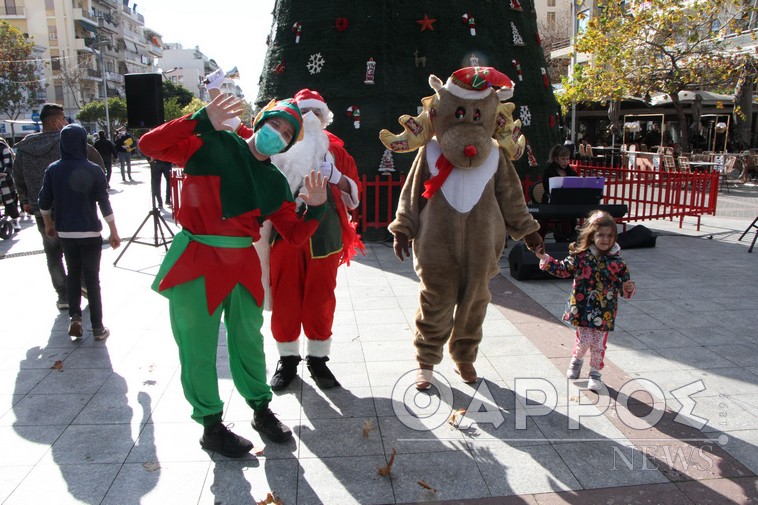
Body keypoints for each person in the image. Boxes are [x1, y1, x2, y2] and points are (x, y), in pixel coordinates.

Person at [138, 93, 328, 458]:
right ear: (260, 122)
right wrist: (199, 118)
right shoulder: (215, 142)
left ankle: (260, 409)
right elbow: (151, 145)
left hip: (242, 264)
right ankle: (211, 426)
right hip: (196, 259)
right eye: (275, 124)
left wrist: (316, 210)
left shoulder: (274, 181)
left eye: (287, 133)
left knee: (248, 341)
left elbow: (295, 234)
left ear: (289, 144)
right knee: (198, 347)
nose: (278, 133)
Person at [266, 88, 364, 390]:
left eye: (316, 113)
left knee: (321, 297)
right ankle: (288, 359)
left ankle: (318, 360)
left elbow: (354, 198)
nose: (309, 119)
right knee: (285, 296)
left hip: (325, 235)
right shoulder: (277, 149)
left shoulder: (336, 151)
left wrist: (337, 177)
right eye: (303, 113)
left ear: (324, 118)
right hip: (285, 234)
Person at [14, 103, 106, 310]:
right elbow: (98, 167)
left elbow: (17, 176)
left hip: (41, 209)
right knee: (80, 247)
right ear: (56, 121)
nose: (66, 123)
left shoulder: (24, 148)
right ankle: (82, 284)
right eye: (64, 119)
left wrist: (25, 200)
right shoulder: (70, 141)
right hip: (73, 208)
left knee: (53, 252)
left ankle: (64, 295)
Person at [533, 210, 636, 392]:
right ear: (592, 235)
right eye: (601, 235)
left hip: (605, 310)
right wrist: (544, 258)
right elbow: (564, 269)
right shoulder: (581, 256)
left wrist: (627, 288)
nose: (605, 239)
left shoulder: (618, 263)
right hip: (583, 307)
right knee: (585, 340)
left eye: (610, 235)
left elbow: (623, 285)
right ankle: (577, 359)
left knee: (599, 343)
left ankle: (595, 373)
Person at [38, 124, 121, 341]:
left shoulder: (53, 169)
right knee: (92, 280)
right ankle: (98, 327)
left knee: (73, 275)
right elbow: (104, 203)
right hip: (90, 233)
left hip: (66, 233)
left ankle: (75, 317)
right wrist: (113, 231)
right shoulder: (94, 170)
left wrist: (48, 223)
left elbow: (43, 202)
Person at [540, 144, 578, 242]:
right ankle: (540, 240)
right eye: (563, 159)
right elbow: (546, 188)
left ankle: (567, 238)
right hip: (550, 202)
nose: (566, 162)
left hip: (566, 203)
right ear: (556, 159)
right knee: (550, 217)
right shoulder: (549, 171)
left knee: (568, 214)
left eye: (567, 159)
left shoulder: (571, 172)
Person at [0, 136, 21, 233]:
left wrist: (5, 172)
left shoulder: (2, 147)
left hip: (4, 179)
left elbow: (8, 162)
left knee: (9, 201)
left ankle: (15, 220)